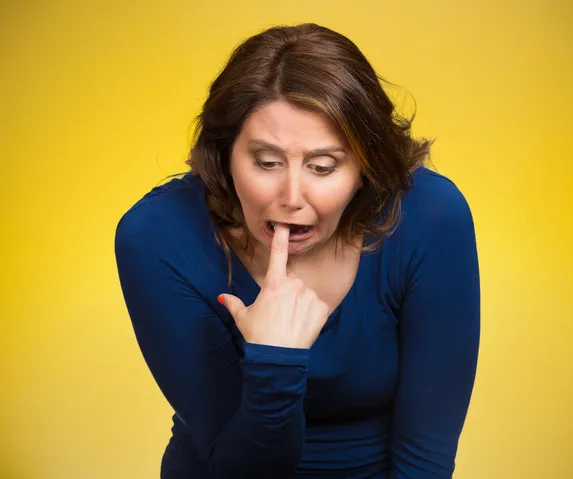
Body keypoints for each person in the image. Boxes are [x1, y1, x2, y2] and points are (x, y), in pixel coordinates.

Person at [114, 23, 480, 479]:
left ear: (365, 165)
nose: (291, 195)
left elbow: (426, 456)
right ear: (226, 157)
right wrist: (275, 362)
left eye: (322, 167)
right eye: (266, 162)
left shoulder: (431, 215)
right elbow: (234, 467)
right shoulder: (156, 235)